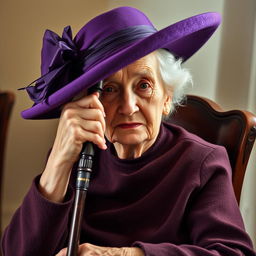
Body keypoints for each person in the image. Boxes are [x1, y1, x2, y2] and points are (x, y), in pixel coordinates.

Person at [1, 6, 256, 256]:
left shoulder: (201, 163)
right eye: (110, 89)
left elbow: (233, 252)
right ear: (88, 101)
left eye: (143, 85)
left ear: (167, 97)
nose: (128, 106)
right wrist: (58, 160)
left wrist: (122, 254)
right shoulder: (75, 154)